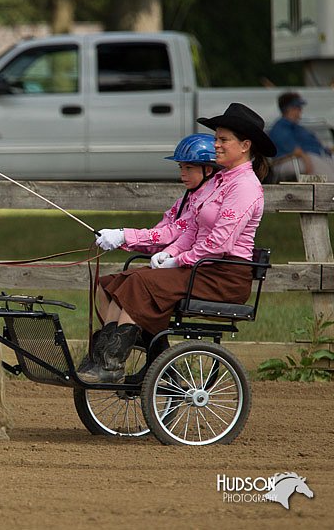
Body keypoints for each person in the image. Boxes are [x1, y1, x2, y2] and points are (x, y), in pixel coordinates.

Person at [79, 103, 276, 383]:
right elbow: (191, 230)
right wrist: (169, 252)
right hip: (204, 267)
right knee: (119, 282)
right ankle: (105, 356)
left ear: (245, 145)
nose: (216, 145)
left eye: (223, 140)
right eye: (216, 138)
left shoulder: (244, 186)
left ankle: (112, 363)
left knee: (139, 284)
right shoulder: (220, 181)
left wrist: (178, 260)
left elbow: (220, 241)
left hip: (223, 274)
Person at [268, 92, 334, 181]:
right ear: (289, 109)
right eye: (298, 108)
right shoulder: (280, 128)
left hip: (316, 157)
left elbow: (316, 145)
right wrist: (306, 159)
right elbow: (294, 150)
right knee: (329, 177)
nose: (300, 111)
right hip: (292, 160)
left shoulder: (298, 127)